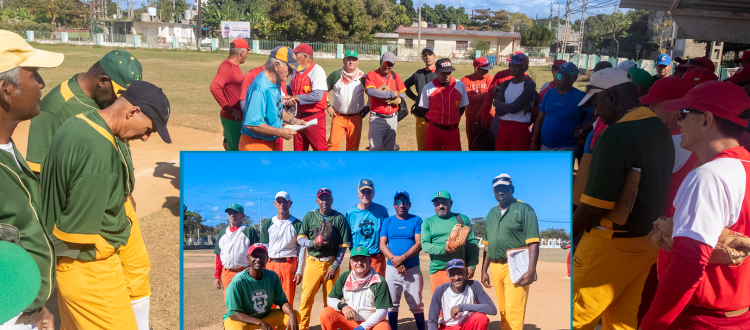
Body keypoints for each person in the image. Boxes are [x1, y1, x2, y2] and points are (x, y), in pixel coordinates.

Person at [41, 81, 172, 330]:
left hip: (78, 269)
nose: (145, 137)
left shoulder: (80, 121)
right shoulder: (99, 152)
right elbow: (75, 234)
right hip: (89, 269)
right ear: (133, 111)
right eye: (148, 129)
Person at [641, 81, 750, 329]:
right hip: (739, 314)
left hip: (700, 319)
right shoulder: (744, 165)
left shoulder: (709, 175)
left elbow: (689, 264)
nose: (678, 122)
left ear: (706, 120)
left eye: (683, 113)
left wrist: (653, 324)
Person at [572, 68, 675, 330]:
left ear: (612, 97)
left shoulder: (617, 133)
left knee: (573, 317)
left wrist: (568, 232)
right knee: (621, 320)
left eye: (597, 103)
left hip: (608, 243)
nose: (596, 112)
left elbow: (595, 206)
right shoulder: (658, 127)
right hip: (645, 243)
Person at [0, 30, 62, 330]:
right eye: (33, 74)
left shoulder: (8, 147)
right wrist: (16, 316)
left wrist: (34, 310)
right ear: (5, 89)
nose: (41, 84)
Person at [634, 76, 698, 326]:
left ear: (674, 107)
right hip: (674, 234)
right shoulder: (692, 140)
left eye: (655, 105)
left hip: (659, 236)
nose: (650, 110)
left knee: (646, 301)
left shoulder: (671, 142)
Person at [26, 50, 142, 174]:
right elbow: (38, 170)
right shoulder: (56, 108)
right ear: (102, 81)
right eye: (120, 93)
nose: (123, 100)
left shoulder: (105, 100)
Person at [480, 174, 540, 330]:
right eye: (497, 189)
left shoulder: (524, 209)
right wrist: (483, 270)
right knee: (503, 310)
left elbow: (533, 242)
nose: (500, 192)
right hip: (495, 266)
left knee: (514, 311)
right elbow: (487, 245)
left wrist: (531, 270)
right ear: (493, 192)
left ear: (511, 189)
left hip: (516, 266)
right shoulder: (491, 213)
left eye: (504, 188)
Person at [296, 188, 351, 330]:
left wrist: (335, 266)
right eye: (321, 198)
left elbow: (342, 246)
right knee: (306, 299)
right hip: (313, 261)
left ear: (332, 200)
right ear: (317, 201)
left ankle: (331, 327)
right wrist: (312, 244)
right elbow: (301, 238)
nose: (324, 201)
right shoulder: (309, 216)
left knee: (331, 301)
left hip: (331, 262)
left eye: (327, 198)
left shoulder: (339, 218)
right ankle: (302, 327)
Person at [240, 46, 307, 151]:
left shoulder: (276, 82)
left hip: (269, 142)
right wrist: (281, 132)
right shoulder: (261, 87)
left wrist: (293, 121)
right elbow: (252, 123)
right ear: (276, 65)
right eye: (289, 68)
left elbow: (276, 110)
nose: (291, 72)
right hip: (255, 144)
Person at [223, 243, 301, 330]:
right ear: (248, 258)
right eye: (254, 256)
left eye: (262, 256)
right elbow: (233, 313)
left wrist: (292, 315)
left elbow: (282, 301)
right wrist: (260, 322)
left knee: (295, 316)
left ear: (267, 259)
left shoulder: (272, 276)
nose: (258, 259)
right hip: (241, 320)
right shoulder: (238, 281)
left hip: (264, 315)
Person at [379, 191, 425, 330]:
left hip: (412, 267)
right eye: (398, 202)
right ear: (394, 205)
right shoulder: (388, 221)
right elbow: (382, 244)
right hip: (392, 269)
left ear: (409, 205)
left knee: (416, 304)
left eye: (404, 202)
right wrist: (395, 261)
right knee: (392, 304)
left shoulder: (416, 220)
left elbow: (419, 243)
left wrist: (403, 258)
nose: (401, 205)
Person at [320, 246, 392, 330]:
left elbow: (382, 311)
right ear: (351, 262)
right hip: (350, 321)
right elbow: (331, 299)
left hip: (371, 323)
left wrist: (363, 327)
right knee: (326, 313)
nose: (359, 263)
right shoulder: (345, 276)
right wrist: (343, 306)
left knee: (384, 327)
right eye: (355, 260)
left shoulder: (379, 281)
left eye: (363, 259)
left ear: (369, 260)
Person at [422, 190, 479, 292]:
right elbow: (425, 245)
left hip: (459, 270)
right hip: (438, 270)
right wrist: (445, 249)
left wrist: (471, 265)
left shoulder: (462, 219)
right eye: (437, 203)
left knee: (460, 304)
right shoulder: (428, 222)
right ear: (434, 205)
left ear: (451, 203)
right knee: (440, 304)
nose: (441, 206)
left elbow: (473, 243)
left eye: (444, 202)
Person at [532, 62, 590, 156]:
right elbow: (540, 118)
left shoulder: (580, 97)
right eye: (555, 74)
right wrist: (533, 143)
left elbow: (596, 114)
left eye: (560, 76)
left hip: (565, 148)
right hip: (545, 147)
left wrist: (581, 130)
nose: (555, 78)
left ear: (571, 79)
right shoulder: (549, 93)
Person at [259, 191, 305, 308]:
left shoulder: (297, 224)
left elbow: (301, 250)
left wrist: (299, 271)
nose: (282, 204)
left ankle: (287, 326)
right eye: (279, 201)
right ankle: (272, 326)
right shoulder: (268, 223)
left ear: (290, 203)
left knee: (287, 300)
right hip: (271, 264)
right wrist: (262, 268)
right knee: (268, 299)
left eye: (285, 201)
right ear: (275, 204)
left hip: (289, 264)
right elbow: (264, 248)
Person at [428, 259, 497, 330]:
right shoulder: (440, 290)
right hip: (449, 327)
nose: (456, 277)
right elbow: (432, 320)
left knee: (480, 318)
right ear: (448, 275)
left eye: (459, 273)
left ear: (465, 273)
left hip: (468, 326)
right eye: (452, 274)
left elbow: (492, 309)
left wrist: (461, 307)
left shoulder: (474, 286)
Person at [417, 58, 469, 151]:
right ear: (436, 72)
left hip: (452, 131)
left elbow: (461, 108)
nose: (447, 75)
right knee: (433, 161)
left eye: (449, 72)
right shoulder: (428, 88)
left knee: (454, 161)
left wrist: (451, 120)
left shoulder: (459, 85)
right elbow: (424, 109)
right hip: (433, 130)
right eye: (443, 73)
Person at [491, 53, 537, 151]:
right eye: (511, 65)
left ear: (524, 67)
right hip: (503, 126)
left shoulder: (529, 84)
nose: (512, 68)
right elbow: (499, 111)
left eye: (516, 66)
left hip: (519, 128)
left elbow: (513, 108)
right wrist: (499, 104)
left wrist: (497, 103)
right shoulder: (506, 84)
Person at [288, 43, 328, 151]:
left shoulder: (317, 70)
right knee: (299, 151)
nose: (293, 56)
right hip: (298, 117)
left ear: (305, 57)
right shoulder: (295, 71)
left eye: (296, 54)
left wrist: (296, 98)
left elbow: (317, 96)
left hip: (314, 118)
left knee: (320, 151)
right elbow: (289, 90)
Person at [214, 203, 262, 296]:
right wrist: (217, 276)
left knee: (245, 303)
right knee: (229, 303)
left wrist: (257, 274)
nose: (232, 215)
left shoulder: (249, 231)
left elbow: (257, 255)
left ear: (242, 215)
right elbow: (218, 257)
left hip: (244, 273)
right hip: (227, 273)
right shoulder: (222, 233)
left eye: (235, 212)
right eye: (229, 213)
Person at [211, 38, 249, 151]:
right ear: (242, 52)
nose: (247, 55)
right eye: (247, 52)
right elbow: (214, 87)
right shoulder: (227, 67)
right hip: (233, 118)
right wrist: (229, 109)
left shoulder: (233, 66)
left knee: (235, 147)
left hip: (237, 118)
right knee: (234, 150)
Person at [346, 179, 389, 276]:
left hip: (376, 259)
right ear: (358, 193)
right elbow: (347, 237)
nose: (365, 194)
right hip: (357, 259)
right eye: (363, 191)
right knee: (356, 289)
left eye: (369, 192)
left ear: (373, 193)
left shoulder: (382, 211)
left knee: (377, 289)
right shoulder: (350, 213)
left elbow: (387, 234)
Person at [365, 51, 406, 151]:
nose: (387, 66)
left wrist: (399, 100)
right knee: (374, 148)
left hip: (393, 118)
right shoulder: (372, 75)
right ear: (380, 62)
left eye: (390, 64)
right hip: (377, 118)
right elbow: (370, 91)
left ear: (394, 64)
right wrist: (391, 94)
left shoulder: (395, 76)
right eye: (385, 63)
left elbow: (402, 92)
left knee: (389, 149)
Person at [325, 50, 366, 151]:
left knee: (353, 147)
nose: (351, 62)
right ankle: (331, 166)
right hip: (338, 116)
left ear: (357, 62)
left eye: (354, 59)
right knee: (333, 144)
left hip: (356, 118)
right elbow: (322, 90)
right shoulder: (335, 75)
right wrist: (327, 105)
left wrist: (368, 106)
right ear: (344, 61)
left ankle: (349, 166)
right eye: (348, 59)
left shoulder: (363, 77)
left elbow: (372, 93)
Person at [478, 51, 527, 132]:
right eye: (510, 63)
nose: (511, 66)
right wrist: (484, 117)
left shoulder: (527, 80)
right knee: (495, 141)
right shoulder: (500, 75)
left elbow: (530, 105)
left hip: (517, 119)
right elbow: (489, 96)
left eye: (514, 64)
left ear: (522, 66)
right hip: (500, 116)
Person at [404, 46, 438, 151]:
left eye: (430, 54)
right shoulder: (418, 73)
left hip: (436, 117)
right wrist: (415, 98)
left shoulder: (441, 73)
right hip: (421, 115)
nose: (427, 57)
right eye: (425, 55)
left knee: (438, 147)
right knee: (422, 147)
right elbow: (404, 86)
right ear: (422, 58)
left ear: (435, 57)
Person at [461, 57, 493, 150]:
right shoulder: (466, 80)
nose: (486, 72)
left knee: (490, 145)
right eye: (484, 70)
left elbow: (490, 99)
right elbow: (468, 99)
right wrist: (486, 95)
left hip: (488, 118)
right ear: (476, 68)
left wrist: (487, 97)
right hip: (471, 119)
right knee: (473, 146)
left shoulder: (490, 79)